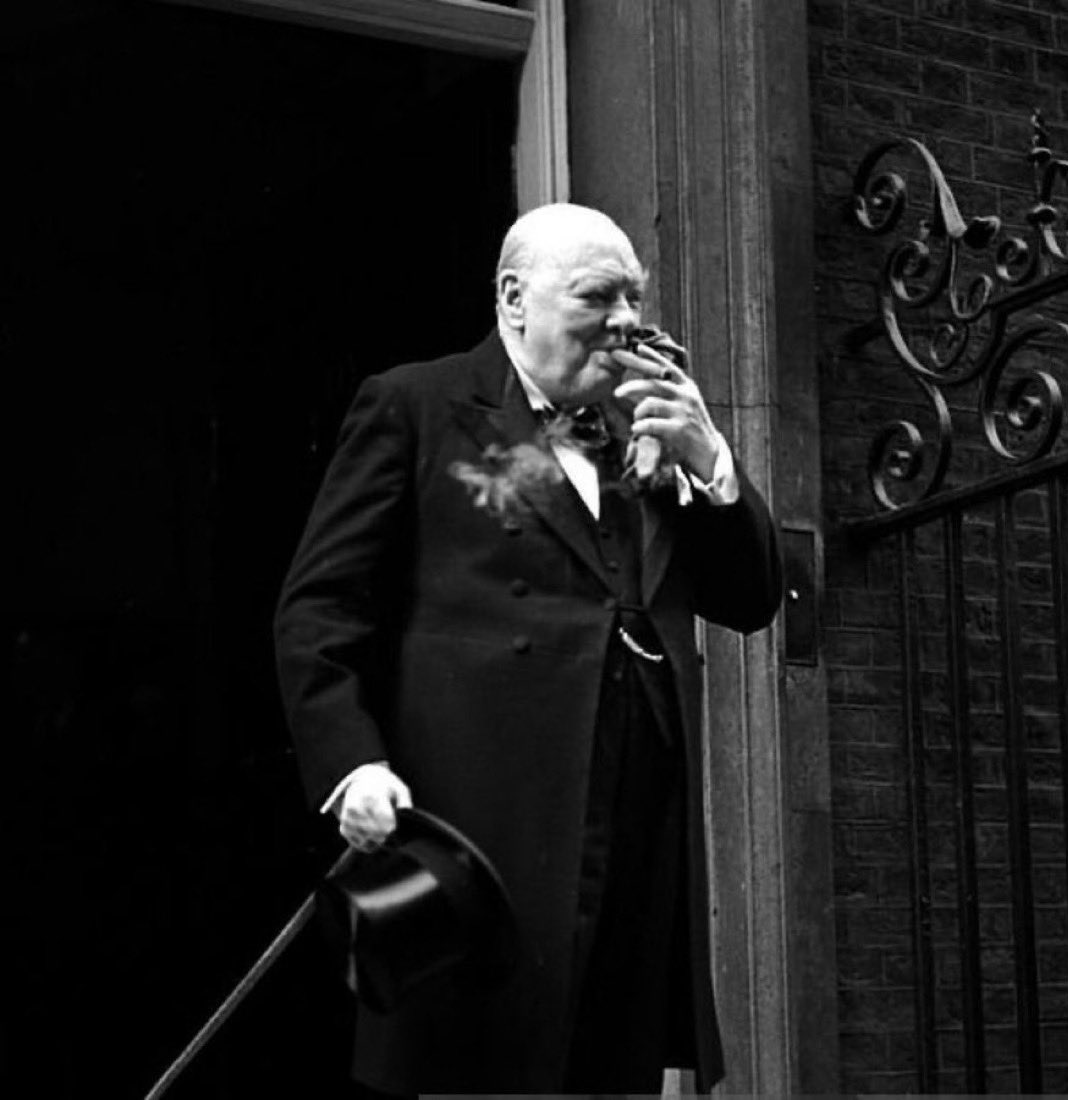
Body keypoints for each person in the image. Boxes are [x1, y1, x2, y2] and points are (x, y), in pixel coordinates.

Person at [274, 202, 782, 1095]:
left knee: (609, 1068)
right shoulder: (417, 406)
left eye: (636, 295)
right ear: (515, 299)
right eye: (598, 295)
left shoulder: (650, 429)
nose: (627, 320)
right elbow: (319, 610)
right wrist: (352, 766)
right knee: (485, 1065)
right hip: (487, 822)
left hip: (637, 814)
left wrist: (710, 459)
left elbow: (749, 602)